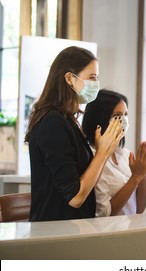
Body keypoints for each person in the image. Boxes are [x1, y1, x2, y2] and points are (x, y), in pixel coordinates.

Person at [25, 46, 123, 221]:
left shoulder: (67, 120)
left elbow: (87, 182)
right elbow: (75, 198)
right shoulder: (52, 123)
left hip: (73, 227)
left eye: (97, 78)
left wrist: (105, 152)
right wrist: (101, 154)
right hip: (54, 231)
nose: (96, 83)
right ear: (70, 78)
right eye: (91, 77)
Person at [82, 89, 146, 216]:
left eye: (125, 114)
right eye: (117, 116)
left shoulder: (124, 154)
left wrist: (143, 176)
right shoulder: (91, 157)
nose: (124, 120)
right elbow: (104, 214)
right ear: (100, 118)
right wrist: (135, 178)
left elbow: (139, 209)